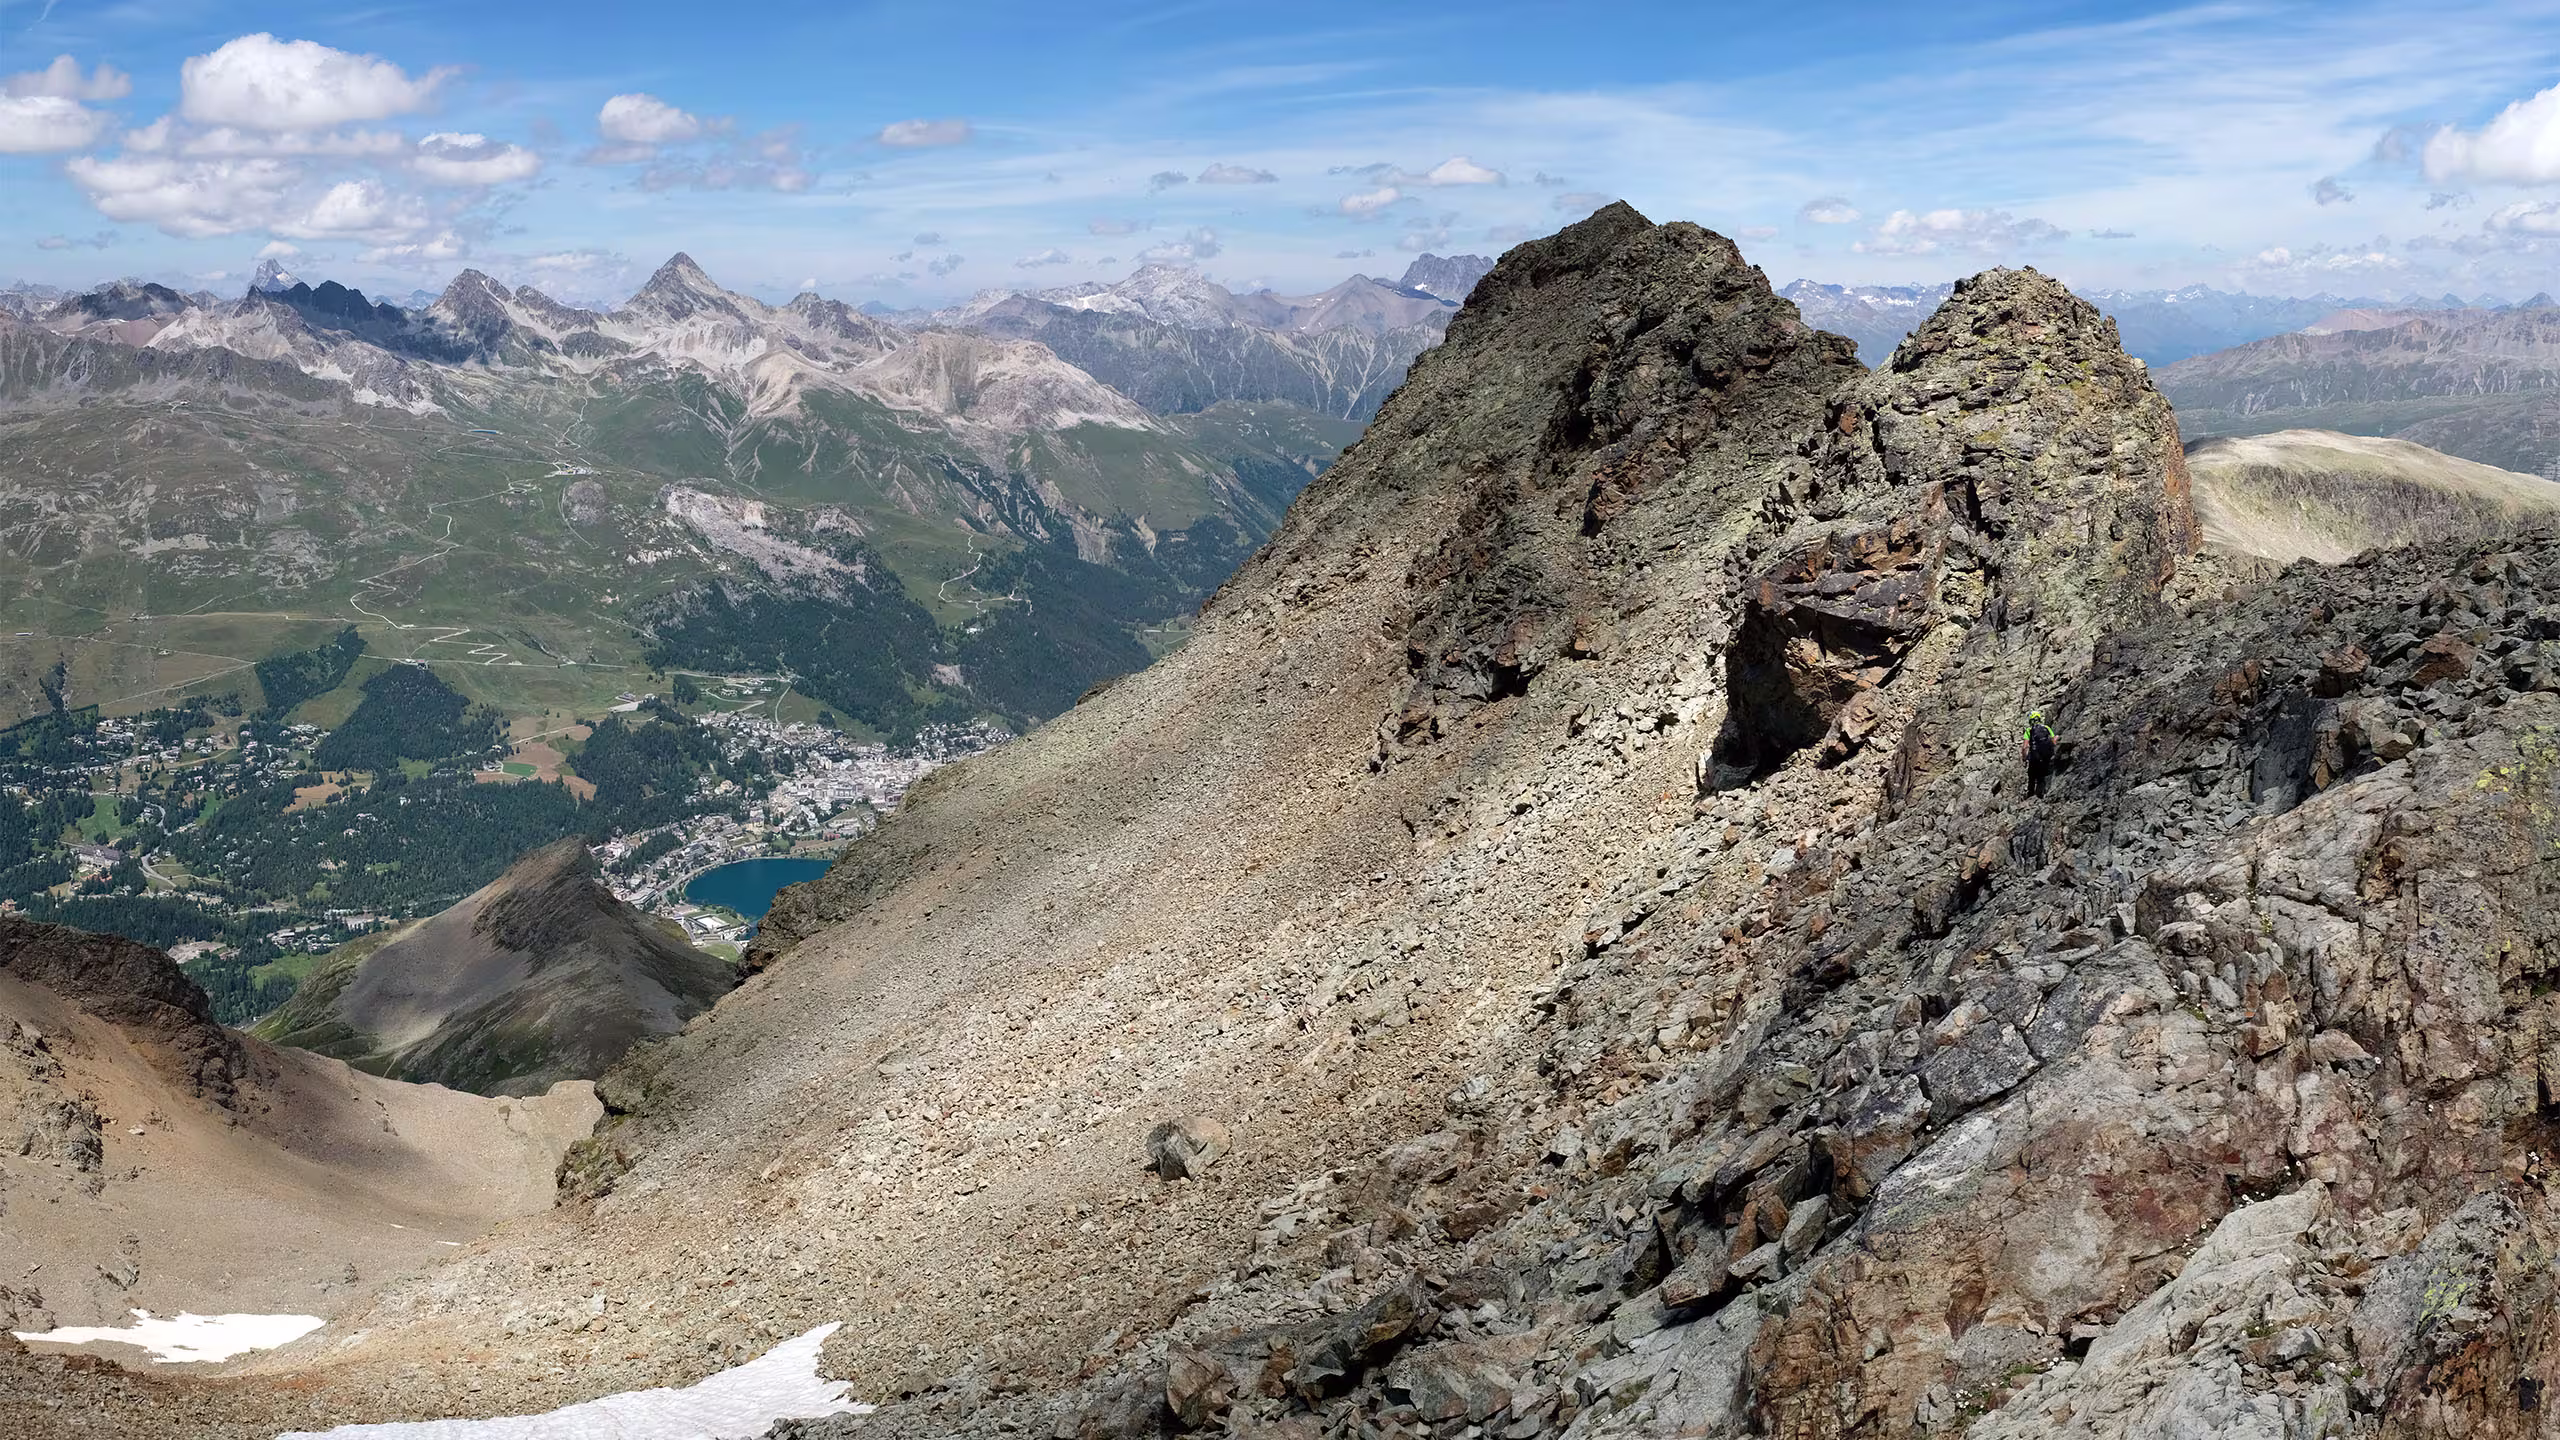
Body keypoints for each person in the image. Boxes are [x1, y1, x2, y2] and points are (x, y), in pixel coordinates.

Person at [2022, 709, 2058, 797]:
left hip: (2034, 758)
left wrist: (2024, 757)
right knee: (2041, 777)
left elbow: (2024, 747)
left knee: (2031, 777)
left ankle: (2030, 795)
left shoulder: (2029, 730)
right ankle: (2040, 795)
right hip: (2046, 757)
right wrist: (2057, 737)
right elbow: (2053, 742)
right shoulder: (2047, 728)